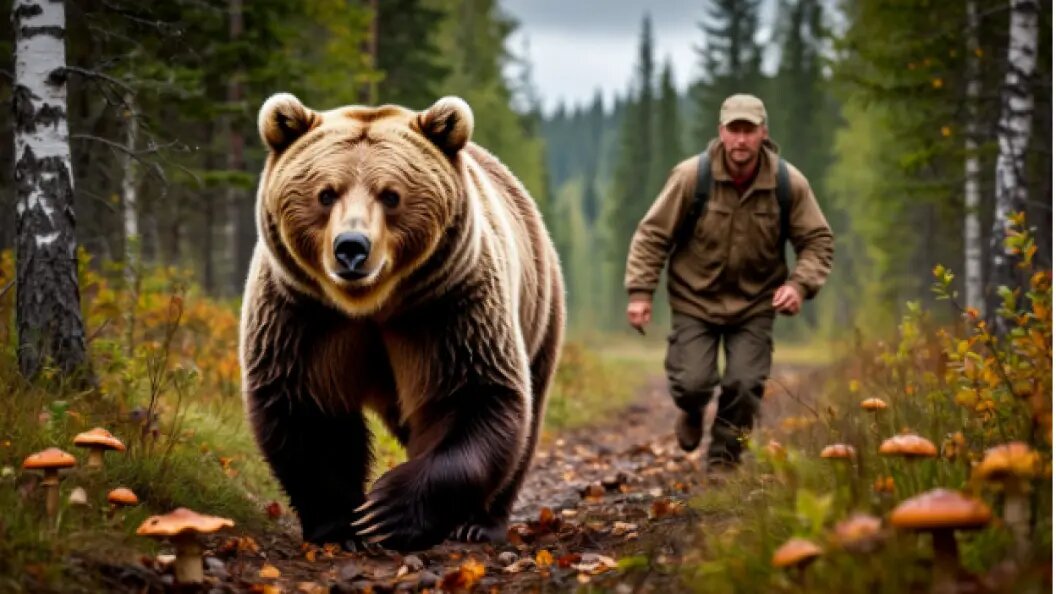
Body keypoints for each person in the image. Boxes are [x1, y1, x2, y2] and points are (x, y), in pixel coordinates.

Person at [624, 93, 834, 471]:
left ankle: (723, 463)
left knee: (744, 385)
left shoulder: (789, 184)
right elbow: (653, 234)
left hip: (755, 304)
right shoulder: (691, 177)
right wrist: (640, 293)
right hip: (694, 300)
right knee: (693, 383)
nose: (741, 140)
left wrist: (799, 285)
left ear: (763, 134)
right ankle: (690, 410)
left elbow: (817, 240)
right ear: (721, 132)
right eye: (734, 130)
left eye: (749, 131)